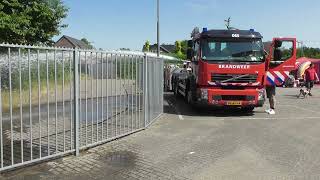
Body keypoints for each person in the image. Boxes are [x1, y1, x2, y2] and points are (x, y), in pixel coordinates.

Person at [265, 41, 282, 115]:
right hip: (271, 75)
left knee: (271, 94)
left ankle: (272, 109)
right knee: (270, 94)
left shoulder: (276, 51)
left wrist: (268, 58)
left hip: (271, 75)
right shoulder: (278, 51)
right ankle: (271, 108)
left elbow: (273, 61)